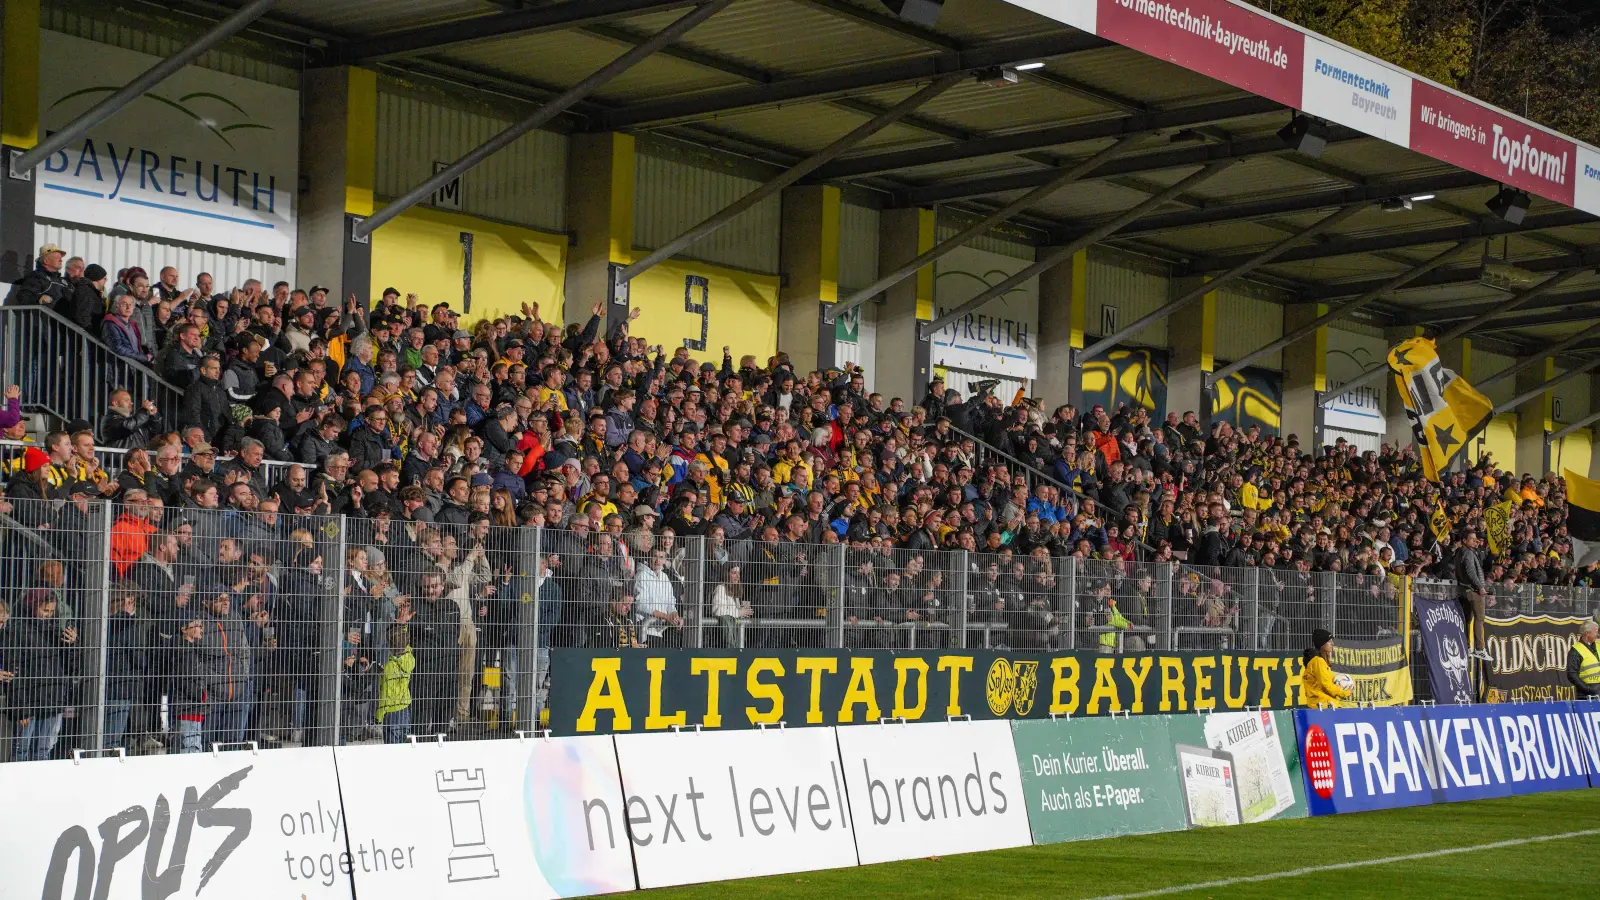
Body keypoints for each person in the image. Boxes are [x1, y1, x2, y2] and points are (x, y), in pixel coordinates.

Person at [1454, 531, 1492, 661]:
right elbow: (1470, 571)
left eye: (1475, 539)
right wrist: (1480, 586)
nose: (1475, 541)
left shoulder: (1460, 552)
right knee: (1479, 618)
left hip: (1464, 590)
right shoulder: (1468, 553)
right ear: (1464, 540)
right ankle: (1480, 648)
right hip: (1473, 590)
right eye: (1472, 539)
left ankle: (1467, 646)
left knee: (1467, 619)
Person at [377, 624, 415, 744]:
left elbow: (385, 694)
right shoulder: (410, 659)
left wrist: (379, 715)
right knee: (403, 744)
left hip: (391, 713)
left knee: (392, 748)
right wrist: (404, 626)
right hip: (405, 710)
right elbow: (405, 644)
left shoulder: (389, 667)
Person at [1300, 628, 1351, 709]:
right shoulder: (1318, 661)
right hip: (1324, 706)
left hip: (1322, 705)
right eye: (1329, 641)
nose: (1332, 643)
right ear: (1322, 644)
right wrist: (1345, 692)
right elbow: (1326, 686)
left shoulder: (1316, 661)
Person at [1567, 619, 1600, 698]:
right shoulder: (1575, 650)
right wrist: (1587, 688)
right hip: (1586, 694)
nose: (1598, 634)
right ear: (1587, 633)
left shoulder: (1598, 646)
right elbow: (1572, 674)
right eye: (1596, 632)